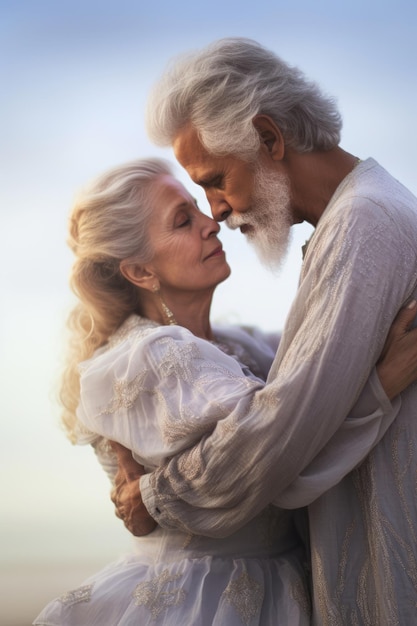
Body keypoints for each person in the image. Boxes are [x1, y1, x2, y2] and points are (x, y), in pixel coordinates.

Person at [33, 157, 417, 626]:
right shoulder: (147, 358)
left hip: (283, 588)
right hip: (202, 599)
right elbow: (273, 455)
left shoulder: (240, 344)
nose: (211, 222)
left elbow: (305, 397)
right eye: (182, 220)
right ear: (140, 272)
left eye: (198, 209)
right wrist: (382, 382)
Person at [111, 38, 417, 624]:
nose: (217, 210)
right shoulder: (357, 216)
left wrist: (155, 494)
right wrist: (377, 383)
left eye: (217, 179)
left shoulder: (363, 224)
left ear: (270, 139)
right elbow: (305, 410)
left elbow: (282, 427)